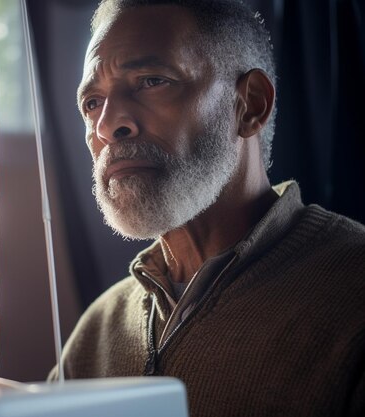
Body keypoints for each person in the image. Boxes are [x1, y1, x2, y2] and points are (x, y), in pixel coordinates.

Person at [48, 1, 365, 416]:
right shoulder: (98, 329)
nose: (108, 124)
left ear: (250, 105)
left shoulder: (352, 292)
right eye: (91, 103)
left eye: (151, 81)